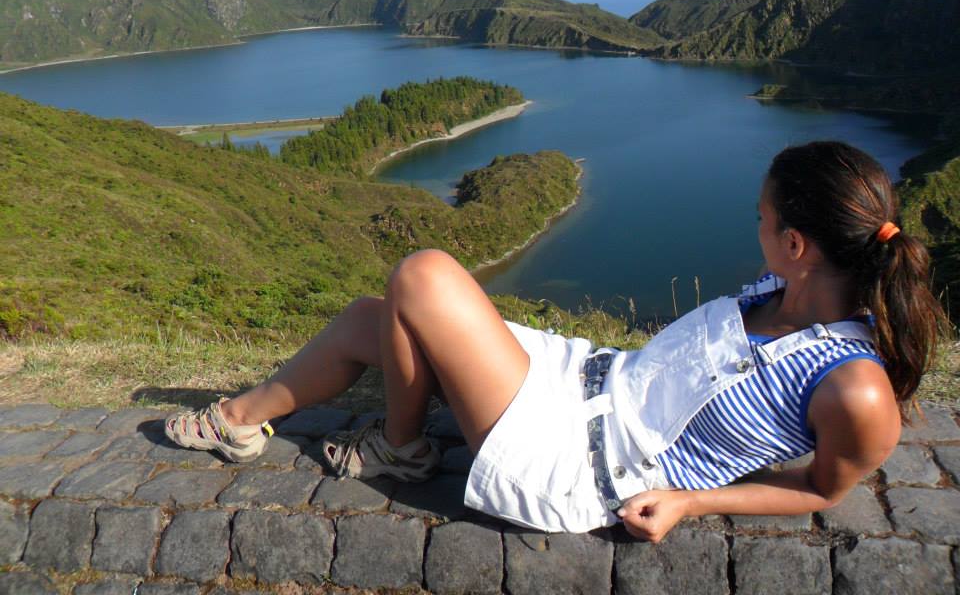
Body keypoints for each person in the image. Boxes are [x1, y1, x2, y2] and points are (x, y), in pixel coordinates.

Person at [165, 140, 948, 540]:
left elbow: (823, 489)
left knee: (424, 276)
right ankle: (240, 419)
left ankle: (401, 449)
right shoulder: (781, 293)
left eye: (763, 218)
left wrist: (692, 502)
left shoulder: (855, 384)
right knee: (375, 316)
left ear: (800, 244)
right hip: (584, 381)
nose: (757, 229)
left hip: (580, 461)